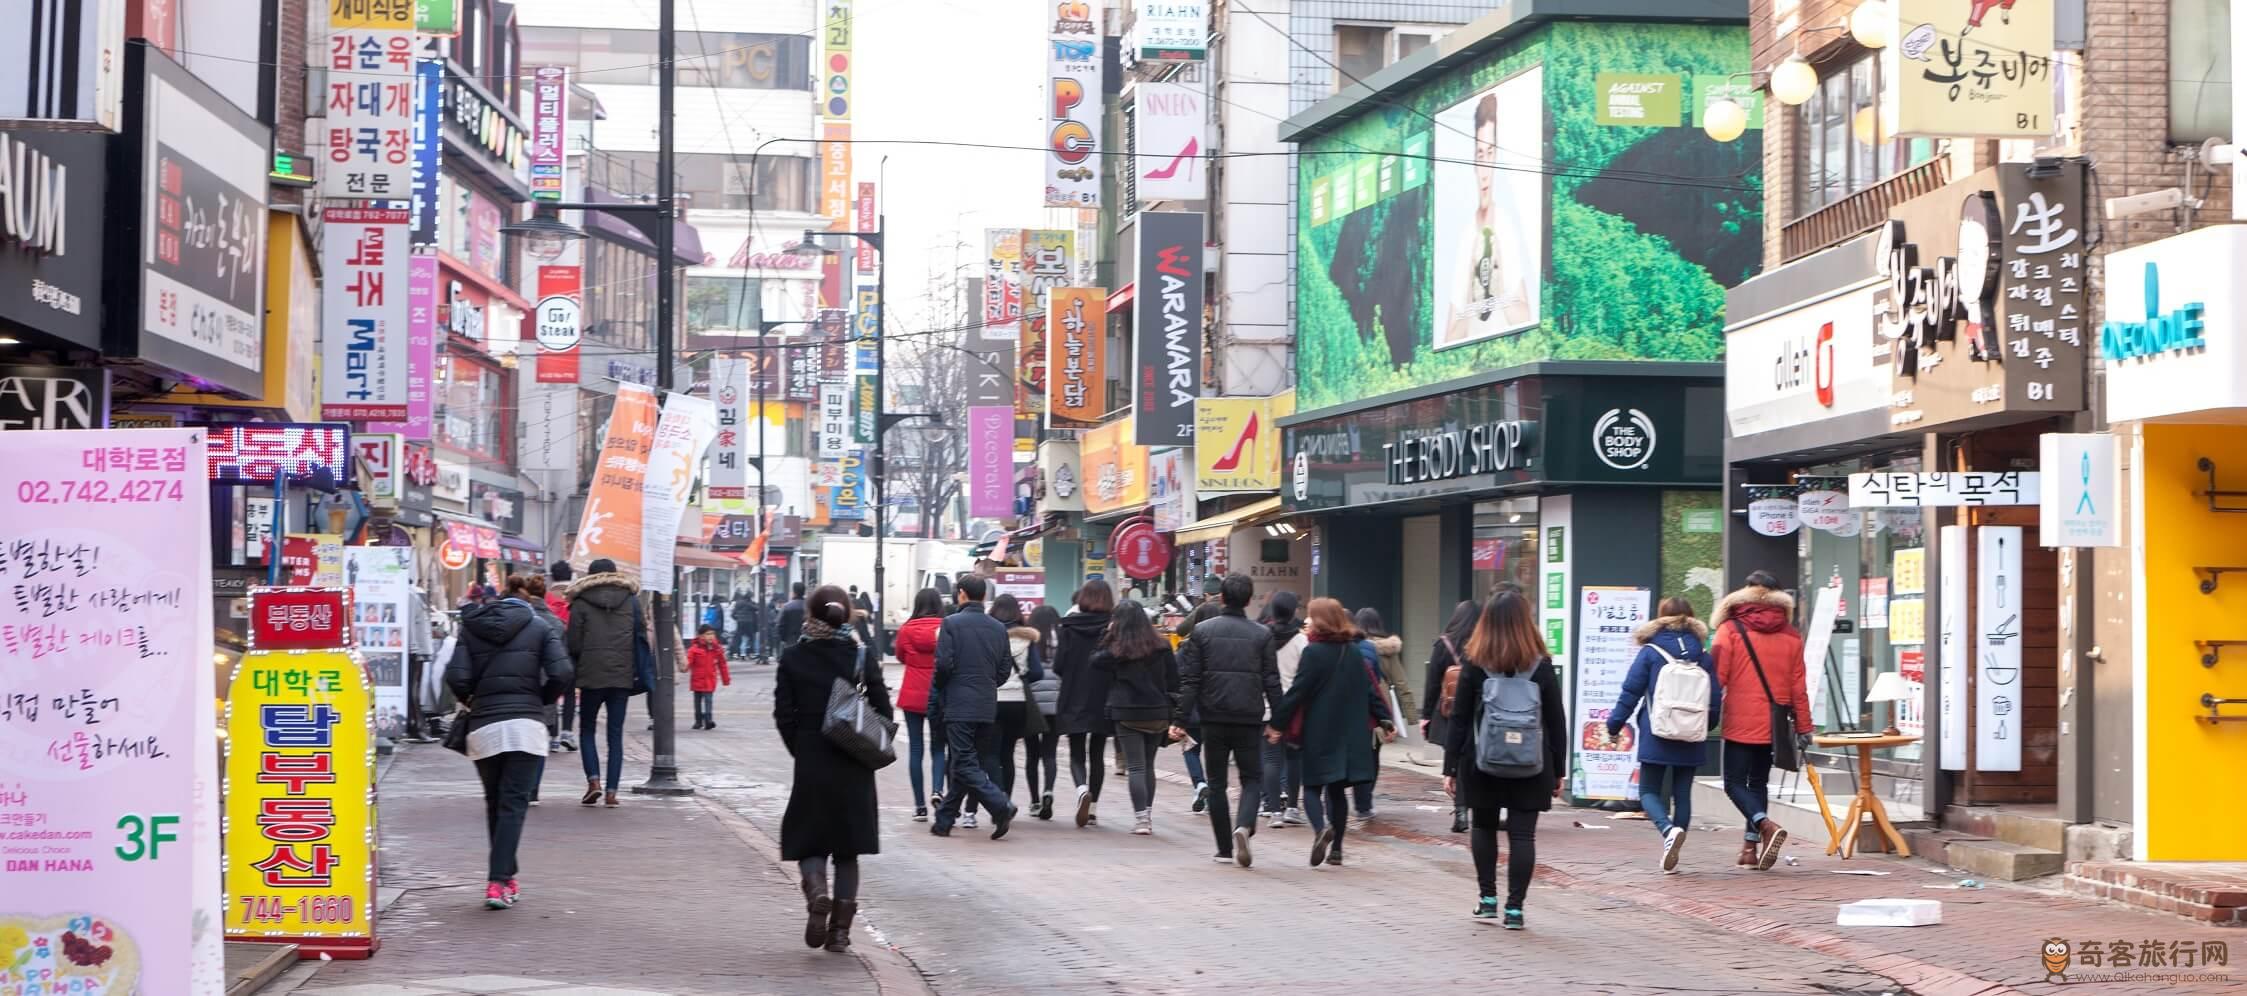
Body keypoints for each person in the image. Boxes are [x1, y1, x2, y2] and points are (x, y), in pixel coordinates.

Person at [774, 585, 891, 954]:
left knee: (808, 836)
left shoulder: (793, 656)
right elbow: (883, 708)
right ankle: (840, 933)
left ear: (811, 614)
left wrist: (802, 747)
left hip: (811, 755)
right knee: (848, 848)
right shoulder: (859, 654)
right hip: (853, 757)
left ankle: (817, 892)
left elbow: (782, 713)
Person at [1445, 591, 1567, 929]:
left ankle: (1487, 900)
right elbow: (1556, 719)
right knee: (1523, 836)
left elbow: (1459, 718)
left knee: (1483, 826)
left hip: (1481, 758)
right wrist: (1559, 769)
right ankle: (1515, 909)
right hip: (1532, 761)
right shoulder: (1540, 664)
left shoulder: (1474, 660)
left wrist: (1450, 766)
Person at [445, 585, 572, 909]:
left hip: (484, 724)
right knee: (513, 804)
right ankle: (498, 881)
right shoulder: (541, 627)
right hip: (526, 726)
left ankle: (506, 876)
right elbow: (562, 672)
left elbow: (456, 677)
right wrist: (541, 699)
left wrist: (472, 699)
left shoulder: (472, 628)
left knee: (495, 802)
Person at [1268, 599, 1391, 868]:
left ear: (1321, 620)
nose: (1306, 622)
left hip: (1319, 729)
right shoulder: (1354, 651)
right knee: (1337, 791)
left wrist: (1277, 724)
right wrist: (1385, 718)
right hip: (1350, 732)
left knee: (1312, 786)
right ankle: (1336, 850)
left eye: (1310, 617)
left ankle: (1321, 828)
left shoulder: (1313, 653)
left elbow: (1298, 691)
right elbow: (1371, 689)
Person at [1606, 597, 1721, 873]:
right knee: (1682, 794)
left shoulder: (1650, 652)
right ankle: (1675, 839)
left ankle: (1668, 831)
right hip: (1692, 732)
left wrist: (1614, 725)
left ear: (1660, 619)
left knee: (1648, 791)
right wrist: (1707, 725)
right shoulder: (1703, 656)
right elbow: (1714, 698)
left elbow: (1630, 692)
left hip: (1657, 731)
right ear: (1692, 619)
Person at [1172, 573, 1279, 866]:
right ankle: (1243, 825)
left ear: (1221, 597)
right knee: (1252, 778)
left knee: (1216, 782)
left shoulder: (1202, 632)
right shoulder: (1262, 634)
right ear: (1247, 600)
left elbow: (1191, 680)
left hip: (1213, 717)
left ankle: (1223, 849)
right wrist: (1278, 721)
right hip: (1249, 716)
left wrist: (1180, 719)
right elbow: (1272, 681)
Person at [1711, 571, 1812, 872]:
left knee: (1732, 783)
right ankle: (1749, 849)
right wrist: (1805, 727)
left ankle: (1764, 824)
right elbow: (1798, 687)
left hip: (1740, 720)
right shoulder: (1791, 635)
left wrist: (1708, 713)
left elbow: (1718, 677)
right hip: (1774, 723)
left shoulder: (1729, 629)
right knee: (1757, 782)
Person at [1439, 91, 1535, 348]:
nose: (1484, 170)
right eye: (1479, 154)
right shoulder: (1465, 237)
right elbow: (1450, 337)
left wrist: (1500, 281)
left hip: (1510, 361)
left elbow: (1526, 319)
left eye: (1490, 153)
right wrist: (1471, 297)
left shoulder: (1507, 226)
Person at [930, 575, 1018, 838]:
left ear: (961, 594)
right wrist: (988, 682)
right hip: (987, 704)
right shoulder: (998, 628)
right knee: (966, 763)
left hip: (959, 704)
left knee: (965, 764)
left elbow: (943, 664)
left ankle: (1000, 804)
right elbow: (1004, 670)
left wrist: (944, 686)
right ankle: (944, 820)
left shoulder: (951, 624)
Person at [1093, 601, 1178, 835]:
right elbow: (1174, 680)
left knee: (1136, 766)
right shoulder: (1162, 645)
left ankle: (1141, 820)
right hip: (1157, 711)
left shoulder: (1117, 649)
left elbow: (1095, 661)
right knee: (1148, 765)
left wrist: (1107, 633)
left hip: (1126, 711)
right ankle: (1147, 815)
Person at [565, 559, 642, 808]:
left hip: (591, 675)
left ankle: (594, 782)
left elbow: (573, 644)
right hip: (621, 675)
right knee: (615, 735)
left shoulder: (580, 602)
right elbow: (639, 637)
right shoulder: (631, 601)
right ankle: (611, 792)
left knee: (587, 729)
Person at [1053, 579, 1117, 827]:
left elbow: (1058, 665)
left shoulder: (1068, 626)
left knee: (1077, 750)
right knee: (1098, 752)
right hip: (1103, 694)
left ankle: (1081, 790)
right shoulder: (1113, 627)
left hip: (1073, 693)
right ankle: (1094, 809)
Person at [1419, 599, 1483, 833]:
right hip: (1478, 710)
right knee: (1475, 760)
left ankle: (1461, 811)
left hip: (1448, 711)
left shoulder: (1443, 644)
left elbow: (1433, 683)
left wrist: (1426, 715)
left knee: (1456, 760)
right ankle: (1479, 809)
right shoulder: (1483, 645)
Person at [893, 588, 948, 821]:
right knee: (938, 748)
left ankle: (919, 807)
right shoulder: (946, 627)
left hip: (912, 693)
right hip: (940, 693)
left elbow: (900, 656)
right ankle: (937, 790)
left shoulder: (906, 629)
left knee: (916, 748)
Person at [991, 594, 1046, 811]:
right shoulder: (1027, 639)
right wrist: (1021, 678)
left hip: (994, 699)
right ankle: (1007, 799)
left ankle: (996, 802)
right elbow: (1037, 673)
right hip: (1017, 702)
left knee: (993, 754)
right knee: (1008, 754)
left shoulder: (991, 636)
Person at [1352, 607, 1407, 823]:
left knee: (1360, 755)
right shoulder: (1386, 650)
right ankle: (1365, 801)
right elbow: (1401, 683)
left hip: (1359, 710)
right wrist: (1411, 717)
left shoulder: (1354, 647)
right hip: (1379, 708)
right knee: (1372, 755)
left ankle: (1359, 801)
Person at [1262, 591, 1308, 827]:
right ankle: (1291, 807)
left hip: (1267, 706)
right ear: (1293, 612)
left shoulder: (1262, 636)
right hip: (1294, 709)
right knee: (1293, 758)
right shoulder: (1301, 640)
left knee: (1270, 758)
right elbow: (1306, 674)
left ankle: (1273, 811)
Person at [1025, 603, 1064, 820]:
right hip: (1056, 703)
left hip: (1033, 705)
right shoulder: (1062, 640)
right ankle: (1048, 790)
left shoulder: (1030, 640)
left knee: (1032, 754)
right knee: (1050, 752)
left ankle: (1034, 801)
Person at [684, 624, 731, 730]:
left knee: (708, 700)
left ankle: (708, 720)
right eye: (708, 634)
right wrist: (683, 668)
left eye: (712, 634)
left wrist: (726, 679)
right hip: (697, 680)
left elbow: (722, 664)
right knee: (697, 702)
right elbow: (688, 662)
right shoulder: (694, 649)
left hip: (710, 680)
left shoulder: (717, 649)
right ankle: (698, 721)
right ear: (701, 636)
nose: (711, 636)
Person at [730, 589, 761, 660]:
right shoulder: (748, 603)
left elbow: (732, 614)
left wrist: (737, 619)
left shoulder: (738, 603)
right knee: (751, 637)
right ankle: (751, 653)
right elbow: (757, 608)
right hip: (749, 622)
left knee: (738, 638)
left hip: (740, 623)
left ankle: (737, 653)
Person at [777, 582, 808, 648]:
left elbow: (780, 626)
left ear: (794, 592)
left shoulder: (786, 607)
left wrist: (784, 639)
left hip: (790, 642)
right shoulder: (809, 606)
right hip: (807, 642)